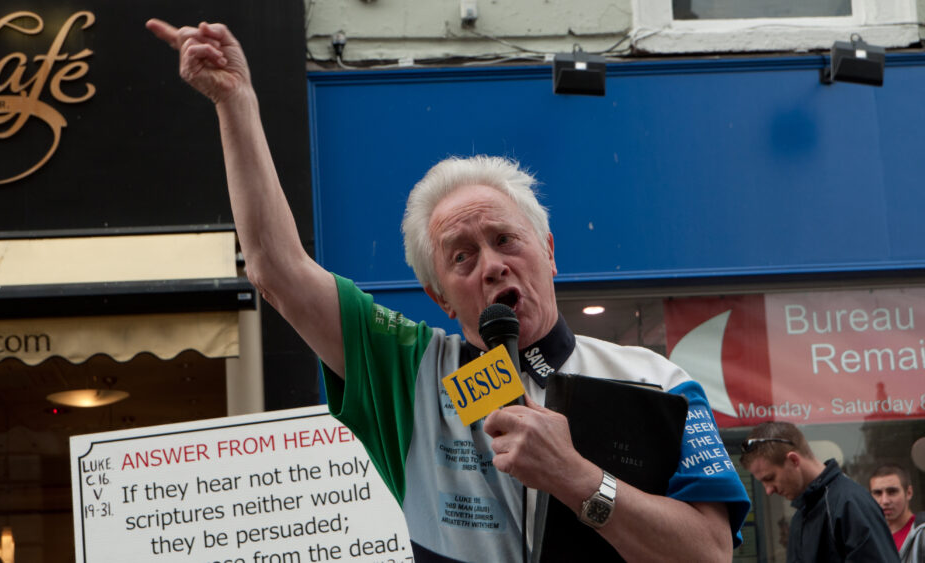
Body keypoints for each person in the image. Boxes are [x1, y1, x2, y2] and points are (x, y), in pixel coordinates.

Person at [145, 18, 750, 562]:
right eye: (462, 256)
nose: (491, 265)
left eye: (506, 240)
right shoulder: (410, 371)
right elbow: (277, 270)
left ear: (549, 253)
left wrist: (577, 479)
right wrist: (236, 103)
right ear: (439, 297)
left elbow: (710, 553)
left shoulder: (656, 380)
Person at [740, 421, 899, 562]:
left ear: (793, 460)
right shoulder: (801, 516)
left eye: (770, 478)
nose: (768, 490)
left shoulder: (850, 504)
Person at [869, 464, 925, 562]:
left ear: (909, 493)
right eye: (878, 493)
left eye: (892, 492)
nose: (885, 500)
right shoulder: (869, 538)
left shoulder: (922, 534)